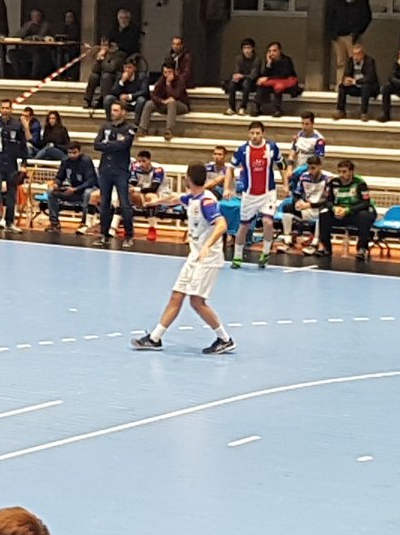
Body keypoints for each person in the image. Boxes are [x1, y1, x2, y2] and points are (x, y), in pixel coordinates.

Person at [130, 166, 236, 351]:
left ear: (188, 179)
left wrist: (207, 245)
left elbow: (221, 224)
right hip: (195, 257)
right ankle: (155, 338)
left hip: (208, 258)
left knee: (196, 302)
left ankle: (224, 339)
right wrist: (154, 202)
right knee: (177, 295)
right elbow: (175, 198)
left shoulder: (206, 202)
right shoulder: (193, 197)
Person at [230, 121, 282, 269]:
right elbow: (230, 168)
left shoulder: (271, 147)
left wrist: (285, 183)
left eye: (257, 133)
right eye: (252, 133)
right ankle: (237, 256)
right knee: (243, 226)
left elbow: (282, 164)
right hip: (249, 195)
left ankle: (265, 253)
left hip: (268, 193)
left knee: (268, 222)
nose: (254, 136)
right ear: (249, 134)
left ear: (263, 133)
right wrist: (228, 187)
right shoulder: (242, 150)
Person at [91, 100, 137, 247]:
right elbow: (96, 145)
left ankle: (129, 235)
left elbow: (124, 145)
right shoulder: (105, 126)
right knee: (104, 203)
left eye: (116, 110)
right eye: (112, 110)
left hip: (120, 170)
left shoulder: (130, 128)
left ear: (123, 112)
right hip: (105, 169)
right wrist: (112, 145)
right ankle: (104, 234)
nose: (113, 113)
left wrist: (107, 144)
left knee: (124, 203)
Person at [0, 100, 31, 234]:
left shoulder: (17, 125)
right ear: (0, 109)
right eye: (3, 108)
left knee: (11, 194)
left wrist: (24, 163)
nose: (5, 110)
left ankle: (9, 222)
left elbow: (23, 145)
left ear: (11, 109)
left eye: (7, 108)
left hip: (12, 164)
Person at [318, 159, 374, 261]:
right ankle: (326, 247)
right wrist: (334, 208)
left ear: (351, 171)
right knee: (324, 214)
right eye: (339, 171)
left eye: (344, 172)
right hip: (339, 211)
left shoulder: (360, 183)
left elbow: (365, 202)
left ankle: (362, 249)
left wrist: (348, 210)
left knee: (365, 216)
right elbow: (327, 201)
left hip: (355, 211)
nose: (341, 174)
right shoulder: (333, 182)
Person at [47, 142, 98, 232]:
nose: (71, 155)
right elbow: (60, 176)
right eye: (69, 153)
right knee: (51, 192)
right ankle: (54, 223)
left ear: (80, 152)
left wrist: (76, 189)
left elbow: (91, 181)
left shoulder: (86, 161)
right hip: (72, 189)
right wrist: (56, 184)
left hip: (85, 189)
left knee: (87, 193)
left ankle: (84, 223)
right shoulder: (65, 160)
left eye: (74, 153)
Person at [325, 0, 370, 81]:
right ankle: (340, 84)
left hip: (352, 36)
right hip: (338, 36)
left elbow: (366, 16)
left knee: (355, 61)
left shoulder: (360, 2)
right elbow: (329, 17)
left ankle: (355, 83)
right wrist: (332, 33)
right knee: (340, 63)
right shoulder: (335, 2)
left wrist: (358, 31)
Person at [140, 65, 190, 138]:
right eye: (165, 72)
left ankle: (169, 131)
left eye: (169, 72)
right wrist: (161, 101)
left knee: (171, 103)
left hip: (180, 105)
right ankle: (142, 129)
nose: (167, 75)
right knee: (149, 103)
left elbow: (176, 95)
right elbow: (153, 95)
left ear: (174, 72)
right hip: (164, 104)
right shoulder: (162, 80)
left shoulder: (180, 80)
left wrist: (168, 85)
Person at [256, 42, 300, 117]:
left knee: (278, 86)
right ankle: (257, 108)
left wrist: (268, 78)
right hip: (273, 82)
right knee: (261, 84)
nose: (271, 53)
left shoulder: (286, 60)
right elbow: (264, 75)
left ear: (280, 50)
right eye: (269, 51)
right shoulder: (270, 61)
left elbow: (284, 75)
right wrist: (268, 64)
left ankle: (277, 109)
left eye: (274, 50)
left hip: (287, 83)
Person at [335, 43, 378, 121]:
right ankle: (341, 110)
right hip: (355, 87)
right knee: (342, 86)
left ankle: (364, 113)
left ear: (362, 54)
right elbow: (346, 74)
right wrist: (346, 80)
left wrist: (356, 81)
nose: (356, 57)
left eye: (358, 54)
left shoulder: (369, 61)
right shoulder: (350, 61)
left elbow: (370, 78)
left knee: (365, 87)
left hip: (369, 88)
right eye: (354, 54)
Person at [225, 38, 260, 115]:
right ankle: (232, 107)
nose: (246, 50)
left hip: (252, 83)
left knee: (246, 83)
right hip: (241, 81)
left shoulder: (257, 59)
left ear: (253, 49)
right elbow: (237, 71)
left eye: (249, 48)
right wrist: (236, 76)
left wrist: (242, 76)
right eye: (244, 48)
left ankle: (243, 107)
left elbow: (253, 75)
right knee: (232, 83)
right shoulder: (239, 59)